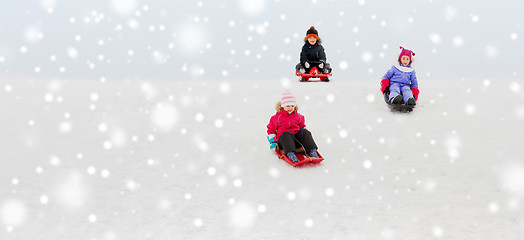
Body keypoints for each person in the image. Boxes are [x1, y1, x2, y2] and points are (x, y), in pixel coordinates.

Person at [266, 92, 319, 163]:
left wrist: (305, 136)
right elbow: (271, 131)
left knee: (305, 131)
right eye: (287, 106)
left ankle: (312, 151)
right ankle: (291, 154)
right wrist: (273, 143)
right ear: (282, 106)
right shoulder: (276, 118)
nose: (290, 108)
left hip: (296, 141)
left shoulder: (299, 117)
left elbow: (302, 127)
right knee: (287, 134)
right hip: (284, 142)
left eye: (292, 106)